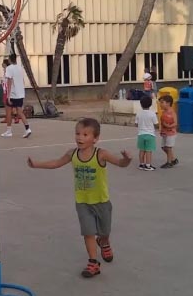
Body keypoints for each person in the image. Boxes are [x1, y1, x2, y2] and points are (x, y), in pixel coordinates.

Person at [27, 118, 131, 278]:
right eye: (77, 133)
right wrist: (36, 164)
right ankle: (93, 263)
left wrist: (127, 159)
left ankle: (104, 242)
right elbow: (56, 163)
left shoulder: (101, 154)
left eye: (85, 134)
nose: (79, 137)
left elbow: (120, 163)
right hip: (82, 202)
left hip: (101, 202)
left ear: (95, 138)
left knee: (104, 231)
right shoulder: (72, 154)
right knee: (88, 232)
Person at [2, 54, 31, 138]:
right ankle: (27, 128)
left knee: (8, 111)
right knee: (19, 112)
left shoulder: (9, 68)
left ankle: (9, 131)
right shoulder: (20, 68)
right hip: (20, 93)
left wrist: (8, 95)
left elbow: (9, 81)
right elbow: (22, 80)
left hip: (13, 94)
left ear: (10, 60)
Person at [135, 96, 158, 171]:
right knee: (148, 150)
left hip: (141, 134)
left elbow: (136, 124)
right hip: (150, 135)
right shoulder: (152, 114)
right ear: (150, 104)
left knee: (142, 150)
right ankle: (148, 165)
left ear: (141, 104)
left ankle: (141, 164)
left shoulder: (138, 113)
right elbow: (156, 124)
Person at [158, 95, 179, 168]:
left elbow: (175, 123)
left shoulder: (172, 112)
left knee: (168, 147)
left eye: (162, 102)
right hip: (165, 133)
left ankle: (169, 162)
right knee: (163, 147)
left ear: (168, 103)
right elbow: (162, 123)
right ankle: (173, 159)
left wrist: (169, 126)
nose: (160, 104)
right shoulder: (163, 112)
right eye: (160, 103)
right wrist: (161, 130)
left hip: (171, 133)